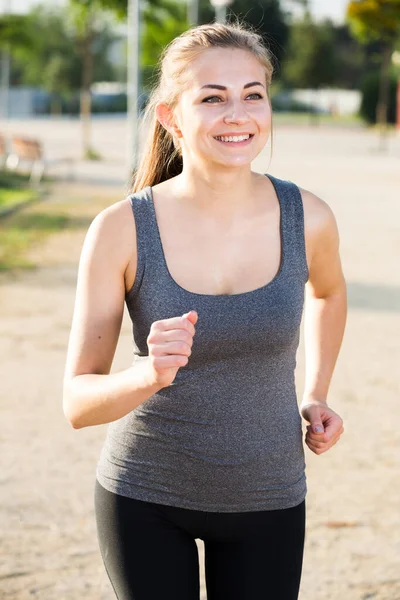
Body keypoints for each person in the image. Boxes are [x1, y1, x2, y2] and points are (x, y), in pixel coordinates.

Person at [63, 21, 347, 600]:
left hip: (268, 493)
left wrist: (315, 392)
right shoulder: (121, 228)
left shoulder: (308, 217)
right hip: (143, 496)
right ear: (171, 116)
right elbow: (77, 403)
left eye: (253, 95)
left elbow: (328, 292)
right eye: (212, 98)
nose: (237, 114)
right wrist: (148, 374)